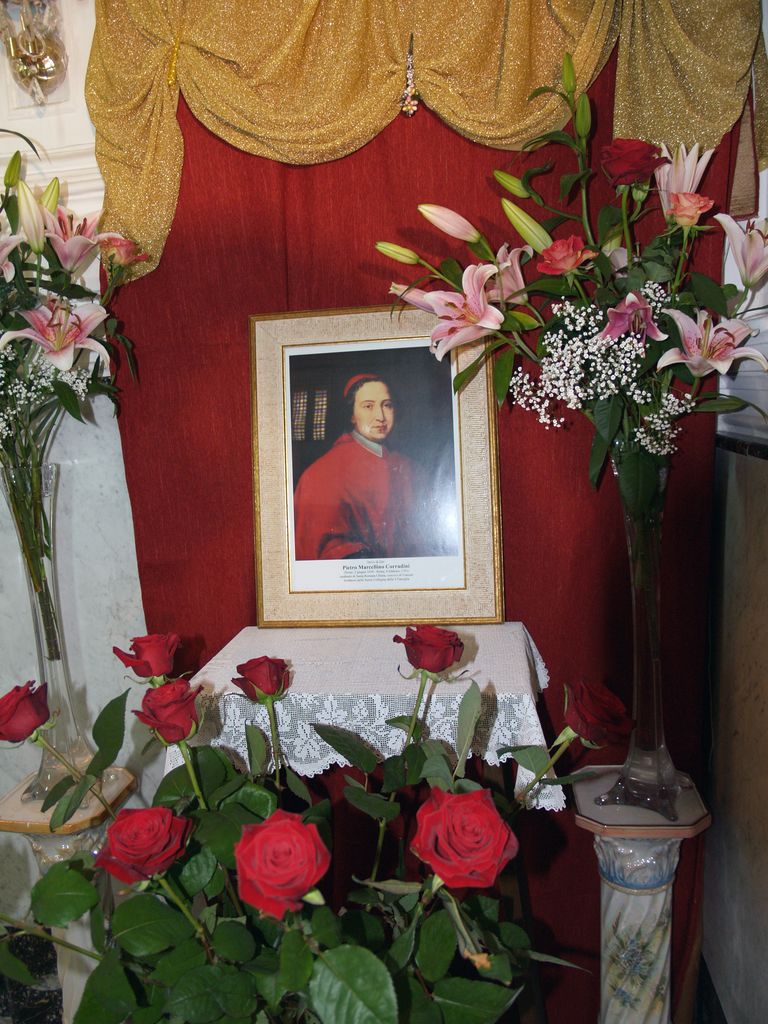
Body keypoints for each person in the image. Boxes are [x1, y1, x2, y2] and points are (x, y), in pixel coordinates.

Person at [293, 373, 425, 560]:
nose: (380, 416)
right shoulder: (321, 473)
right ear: (352, 415)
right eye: (368, 406)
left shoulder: (410, 468)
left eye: (387, 405)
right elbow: (327, 548)